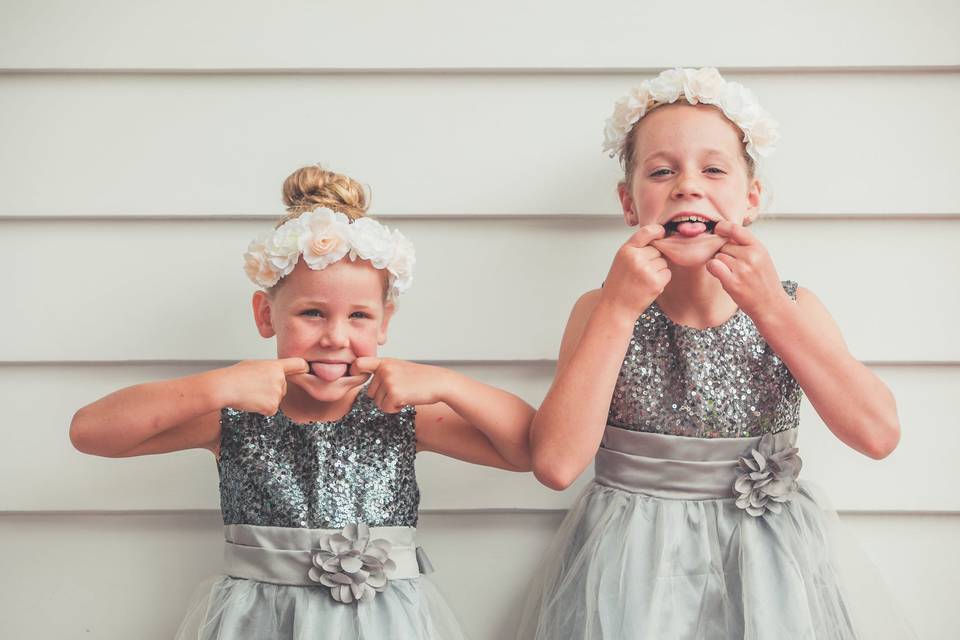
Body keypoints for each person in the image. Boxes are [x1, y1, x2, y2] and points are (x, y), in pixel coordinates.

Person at [520, 67, 913, 639]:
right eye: (661, 171)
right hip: (633, 566)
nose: (686, 185)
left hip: (769, 567)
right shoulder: (600, 309)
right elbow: (555, 465)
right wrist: (619, 311)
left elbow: (878, 434)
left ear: (750, 199)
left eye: (713, 168)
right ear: (630, 204)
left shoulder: (792, 306)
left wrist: (771, 310)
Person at [70, 164, 535, 639]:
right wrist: (220, 387)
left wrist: (445, 383)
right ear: (265, 314)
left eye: (359, 316)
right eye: (312, 313)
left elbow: (529, 450)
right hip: (258, 625)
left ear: (383, 323)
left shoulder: (399, 411)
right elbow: (90, 431)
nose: (335, 337)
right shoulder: (233, 414)